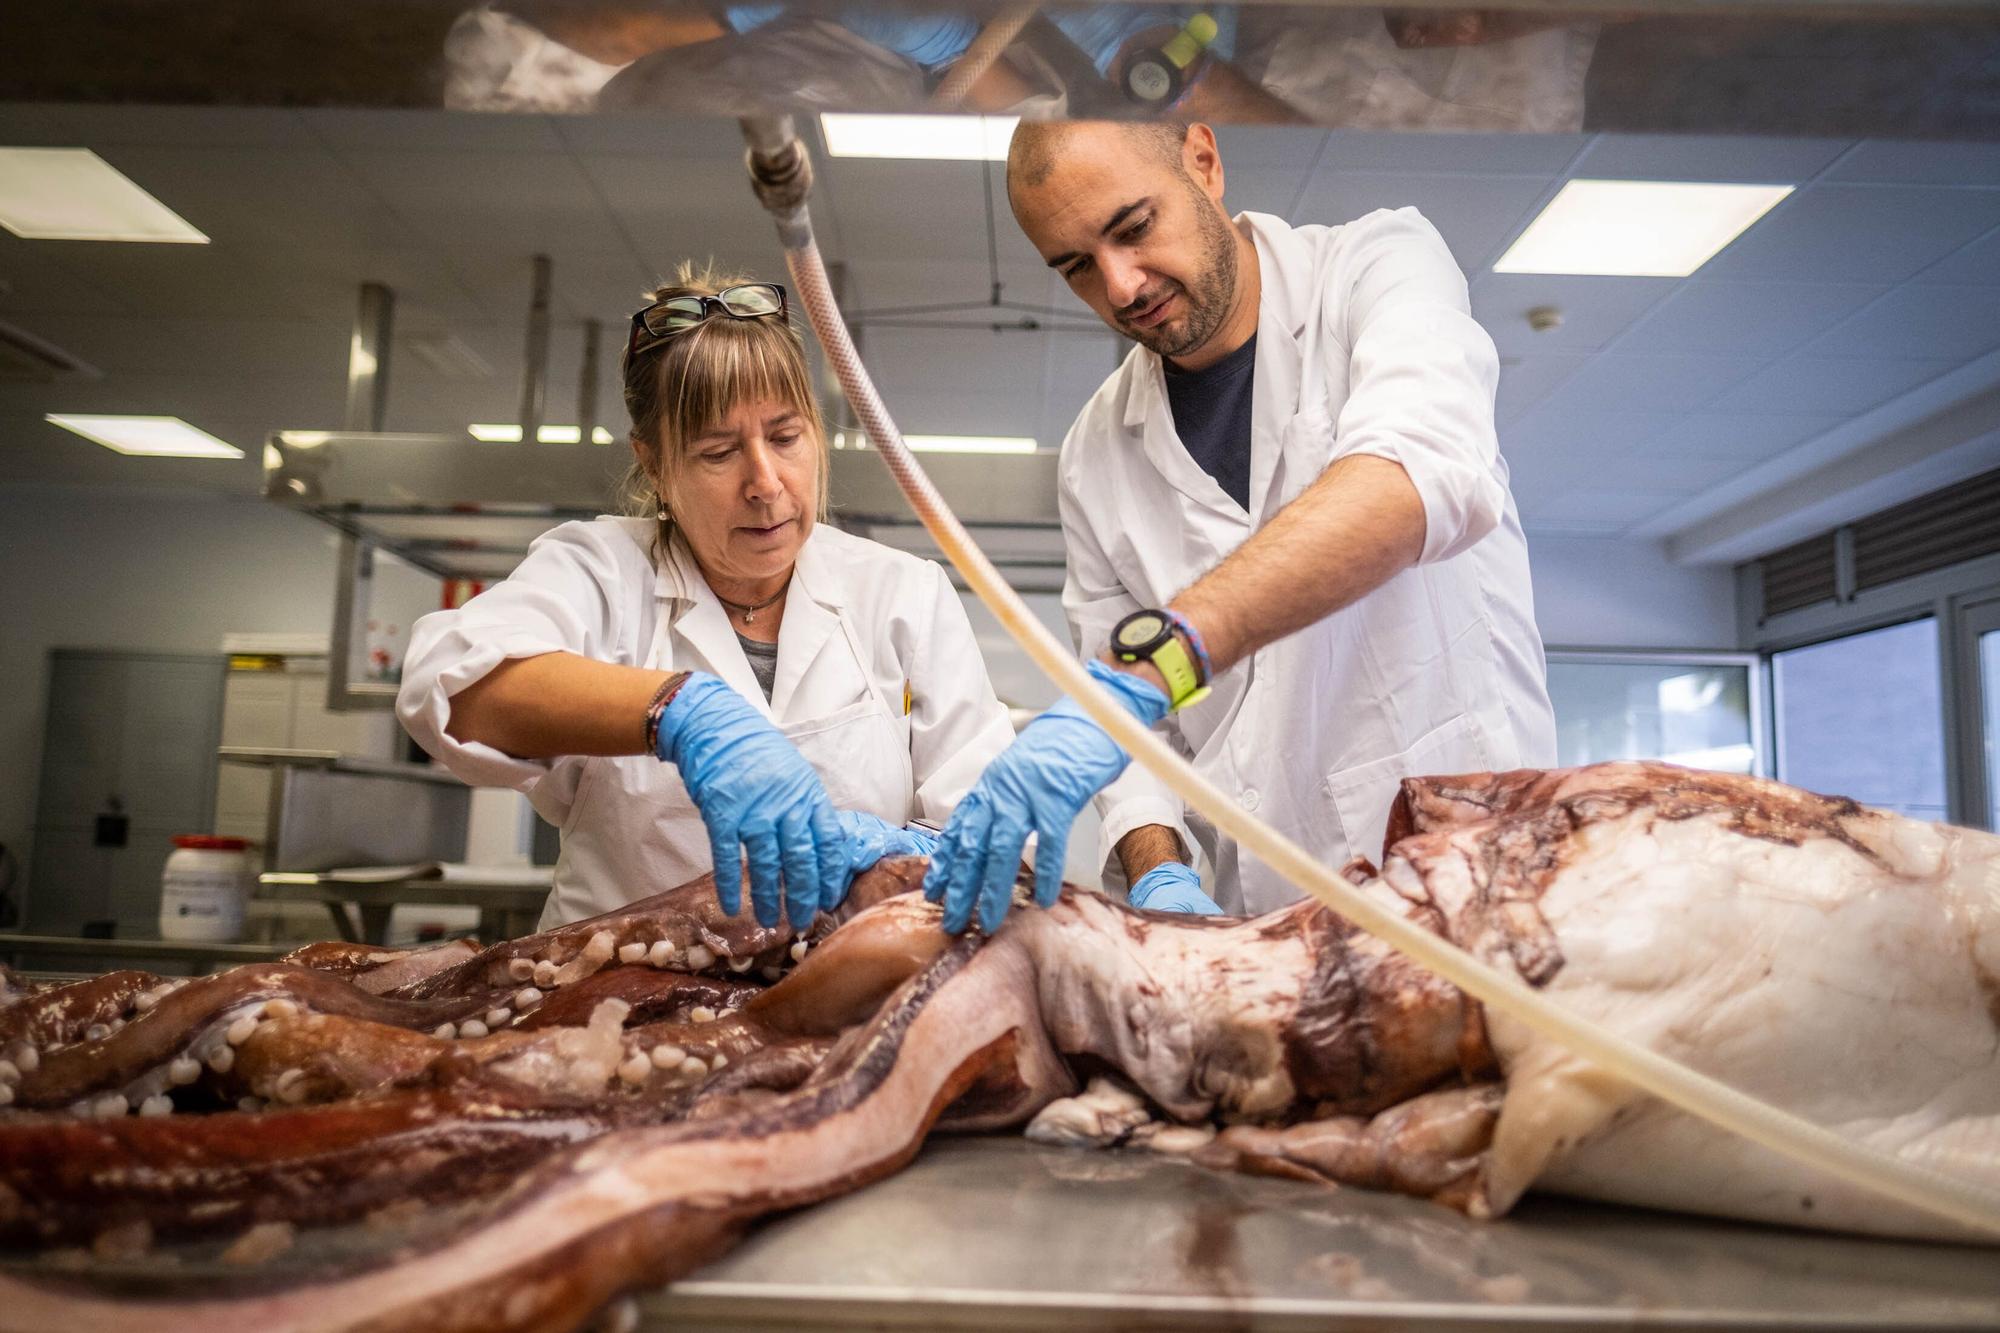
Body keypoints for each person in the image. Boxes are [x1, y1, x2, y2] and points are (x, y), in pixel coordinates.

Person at [924, 120, 1555, 934]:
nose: (1120, 287)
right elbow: (1134, 737)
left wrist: (1158, 664)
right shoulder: (1095, 453)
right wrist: (1160, 870)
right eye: (1077, 266)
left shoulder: (1377, 266)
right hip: (1261, 914)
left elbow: (1416, 478)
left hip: (1471, 875)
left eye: (1133, 228)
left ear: (1204, 161)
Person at [399, 267, 1015, 932]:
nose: (765, 482)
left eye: (785, 437)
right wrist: (675, 712)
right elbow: (449, 687)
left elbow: (997, 830)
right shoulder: (602, 571)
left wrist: (901, 852)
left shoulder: (900, 593)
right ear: (656, 463)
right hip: (619, 1003)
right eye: (719, 451)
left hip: (844, 998)